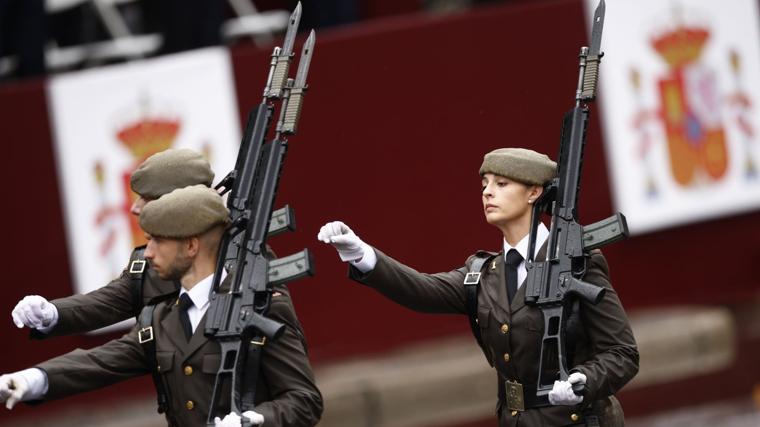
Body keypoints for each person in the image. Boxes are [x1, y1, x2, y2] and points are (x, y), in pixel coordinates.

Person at [317, 148, 638, 426]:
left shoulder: (578, 263)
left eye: (501, 183)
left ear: (534, 192)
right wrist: (361, 253)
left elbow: (622, 352)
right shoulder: (485, 273)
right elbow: (422, 290)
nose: (487, 192)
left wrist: (586, 380)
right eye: (484, 185)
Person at [1, 185, 323, 427]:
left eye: (157, 240)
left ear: (191, 246)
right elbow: (100, 362)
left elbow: (304, 400)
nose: (148, 252)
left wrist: (255, 420)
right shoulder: (161, 318)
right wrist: (31, 380)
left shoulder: (262, 307)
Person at [11, 148, 215, 337]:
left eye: (146, 198)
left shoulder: (241, 255)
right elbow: (107, 303)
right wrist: (50, 313)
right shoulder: (148, 265)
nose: (134, 208)